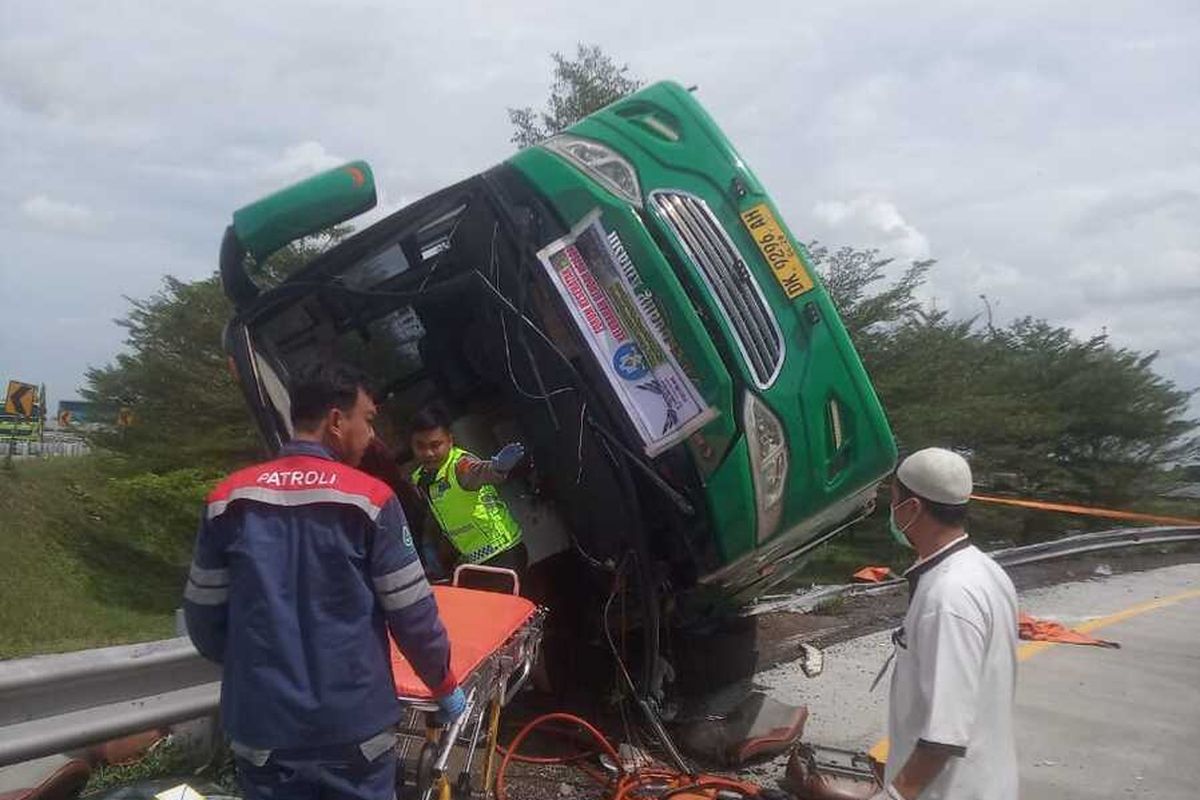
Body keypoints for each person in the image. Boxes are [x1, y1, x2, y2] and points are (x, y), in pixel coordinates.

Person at [183, 363, 466, 800]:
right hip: (353, 732)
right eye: (367, 420)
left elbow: (203, 621)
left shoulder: (227, 500)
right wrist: (444, 685)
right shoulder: (370, 500)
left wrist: (259, 668)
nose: (371, 435)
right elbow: (413, 616)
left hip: (263, 729)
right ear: (337, 421)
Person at [871, 448, 1019, 800]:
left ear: (912, 508)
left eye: (893, 500)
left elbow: (944, 735)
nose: (891, 512)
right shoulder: (986, 571)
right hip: (984, 781)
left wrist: (894, 796)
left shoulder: (948, 598)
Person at [408, 405, 529, 581]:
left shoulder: (459, 466)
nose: (428, 453)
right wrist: (429, 546)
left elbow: (479, 471)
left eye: (435, 445)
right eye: (420, 446)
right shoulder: (421, 478)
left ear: (450, 440)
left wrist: (497, 468)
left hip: (502, 551)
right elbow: (437, 513)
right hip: (476, 560)